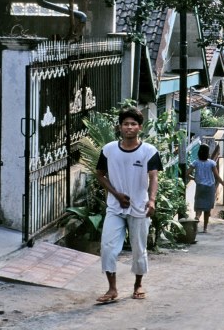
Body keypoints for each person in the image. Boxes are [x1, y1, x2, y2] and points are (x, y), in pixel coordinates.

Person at [95, 106, 161, 303]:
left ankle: (138, 284)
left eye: (133, 124)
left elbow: (154, 177)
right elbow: (100, 174)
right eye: (126, 124)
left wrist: (151, 200)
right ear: (120, 127)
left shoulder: (149, 151)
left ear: (140, 127)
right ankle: (112, 289)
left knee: (139, 249)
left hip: (139, 207)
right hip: (115, 207)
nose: (129, 127)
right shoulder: (108, 150)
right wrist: (116, 194)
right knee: (107, 246)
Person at [187, 144, 224, 233]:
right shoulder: (211, 163)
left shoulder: (195, 162)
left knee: (199, 207)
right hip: (209, 188)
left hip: (200, 187)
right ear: (208, 153)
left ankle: (196, 222)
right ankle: (205, 228)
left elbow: (187, 173)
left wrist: (194, 178)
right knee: (207, 209)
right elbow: (217, 176)